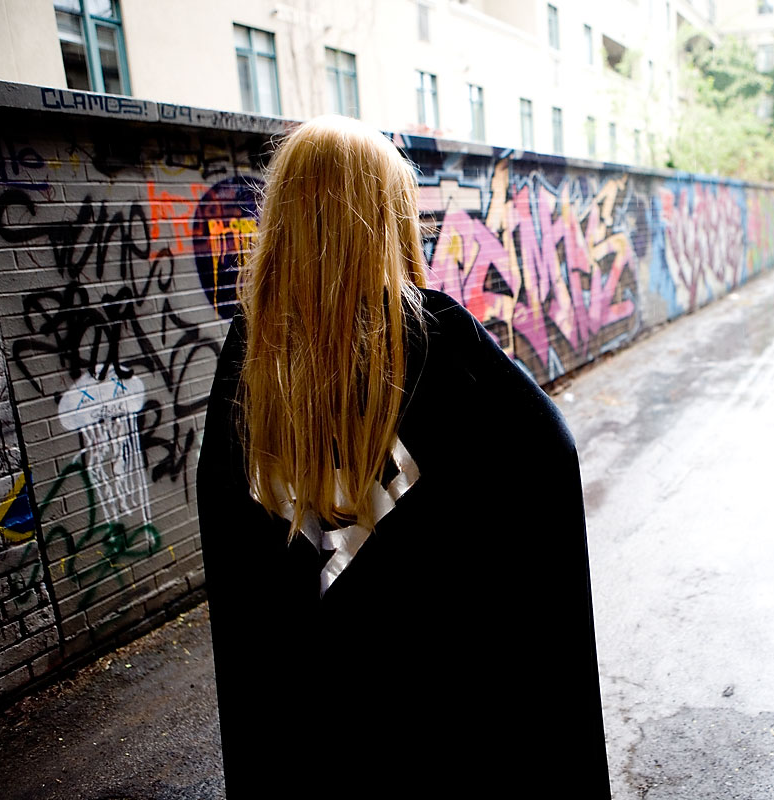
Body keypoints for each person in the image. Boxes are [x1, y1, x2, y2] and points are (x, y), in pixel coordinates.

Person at [196, 116, 610, 797]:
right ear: (388, 219)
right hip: (431, 721)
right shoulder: (439, 339)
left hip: (306, 734)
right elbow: (548, 454)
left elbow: (234, 551)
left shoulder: (250, 356)